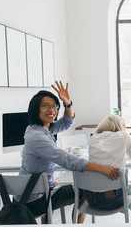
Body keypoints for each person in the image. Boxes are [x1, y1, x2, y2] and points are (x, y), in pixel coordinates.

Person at [17, 81, 120, 223]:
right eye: (46, 106)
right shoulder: (37, 137)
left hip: (33, 192)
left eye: (54, 106)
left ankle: (47, 222)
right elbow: (67, 160)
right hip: (34, 201)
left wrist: (67, 103)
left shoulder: (39, 129)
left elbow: (66, 122)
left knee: (56, 186)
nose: (52, 110)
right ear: (35, 109)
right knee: (85, 187)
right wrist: (102, 169)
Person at [84, 114, 131, 210]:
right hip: (112, 199)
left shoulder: (93, 137)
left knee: (123, 183)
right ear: (119, 125)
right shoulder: (123, 135)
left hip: (91, 199)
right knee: (124, 176)